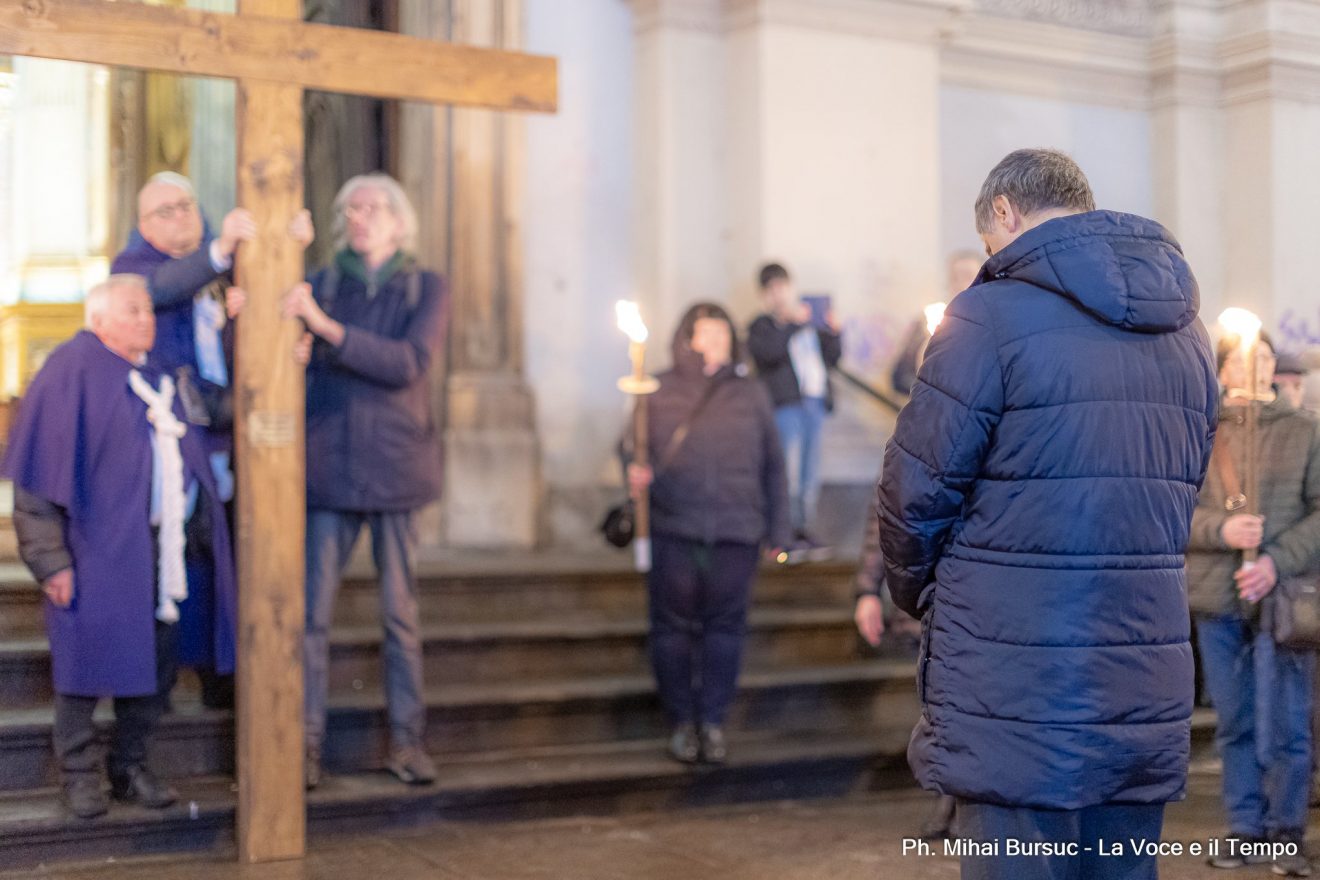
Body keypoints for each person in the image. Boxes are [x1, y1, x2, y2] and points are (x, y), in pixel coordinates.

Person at [878, 148, 1218, 880]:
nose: (991, 259)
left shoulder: (988, 314)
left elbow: (915, 490)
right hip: (1139, 661)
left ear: (1004, 212)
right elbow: (1186, 484)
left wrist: (922, 596)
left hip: (1014, 674)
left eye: (987, 244)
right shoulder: (1187, 331)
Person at [4, 275, 236, 819]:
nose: (146, 319)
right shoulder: (70, 371)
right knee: (85, 668)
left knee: (153, 668)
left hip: (160, 549)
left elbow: (214, 413)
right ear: (98, 319)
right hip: (92, 550)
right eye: (132, 310)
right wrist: (50, 561)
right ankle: (79, 776)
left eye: (148, 311)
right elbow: (37, 484)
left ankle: (130, 768)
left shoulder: (158, 374)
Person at [110, 172, 311, 708]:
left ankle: (227, 677)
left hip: (230, 432)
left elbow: (259, 313)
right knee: (181, 566)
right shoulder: (133, 269)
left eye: (187, 206)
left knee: (231, 563)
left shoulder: (220, 267)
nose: (181, 218)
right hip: (171, 444)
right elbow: (162, 290)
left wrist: (290, 239)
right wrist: (221, 250)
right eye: (165, 211)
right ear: (143, 225)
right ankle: (167, 684)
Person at [283, 172, 448, 791]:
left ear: (401, 222)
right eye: (351, 207)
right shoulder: (321, 281)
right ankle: (301, 744)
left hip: (397, 467)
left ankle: (407, 743)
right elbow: (298, 347)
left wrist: (326, 331)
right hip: (331, 465)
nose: (361, 216)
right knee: (309, 618)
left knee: (400, 616)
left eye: (374, 207)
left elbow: (408, 363)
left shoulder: (425, 286)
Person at [626, 303, 791, 765]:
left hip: (736, 531)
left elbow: (773, 466)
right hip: (675, 527)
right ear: (687, 339)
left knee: (725, 629)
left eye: (722, 333)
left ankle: (713, 720)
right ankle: (681, 721)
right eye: (706, 333)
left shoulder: (751, 393)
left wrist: (778, 529)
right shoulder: (658, 388)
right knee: (673, 627)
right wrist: (634, 470)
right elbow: (630, 445)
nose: (715, 341)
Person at [1189, 333, 1320, 877]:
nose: (1257, 365)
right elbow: (1174, 511)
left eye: (1264, 356)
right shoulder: (1199, 432)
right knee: (1236, 721)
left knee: (1288, 719)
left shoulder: (1305, 431)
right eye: (1244, 356)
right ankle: (1245, 828)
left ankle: (1286, 830)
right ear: (1222, 370)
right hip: (1218, 598)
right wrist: (1224, 528)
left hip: (1284, 599)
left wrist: (1274, 561)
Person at [854, 506, 953, 840]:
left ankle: (952, 799)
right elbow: (887, 515)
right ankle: (950, 796)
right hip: (927, 602)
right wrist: (868, 590)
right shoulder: (908, 455)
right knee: (940, 706)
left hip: (967, 599)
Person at [747, 263, 842, 555]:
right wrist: (790, 324)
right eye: (771, 289)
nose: (778, 294)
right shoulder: (762, 325)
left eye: (782, 287)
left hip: (813, 403)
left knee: (809, 474)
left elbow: (832, 359)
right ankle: (780, 532)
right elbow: (767, 354)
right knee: (786, 471)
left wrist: (834, 332)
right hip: (784, 405)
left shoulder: (808, 322)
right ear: (764, 295)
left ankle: (802, 529)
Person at [890, 251, 982, 396]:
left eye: (969, 276)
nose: (962, 284)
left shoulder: (993, 327)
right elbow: (900, 377)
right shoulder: (929, 320)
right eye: (955, 278)